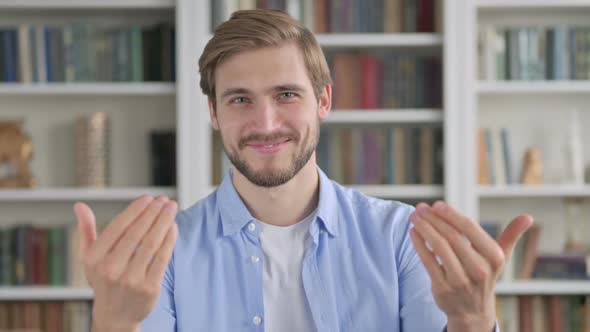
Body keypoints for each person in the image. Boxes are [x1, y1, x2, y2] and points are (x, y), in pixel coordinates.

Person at [73, 9, 534, 332]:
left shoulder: (402, 239)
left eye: (287, 95)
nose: (266, 123)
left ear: (324, 101)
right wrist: (114, 324)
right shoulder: (165, 253)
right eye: (239, 99)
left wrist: (473, 322)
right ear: (214, 113)